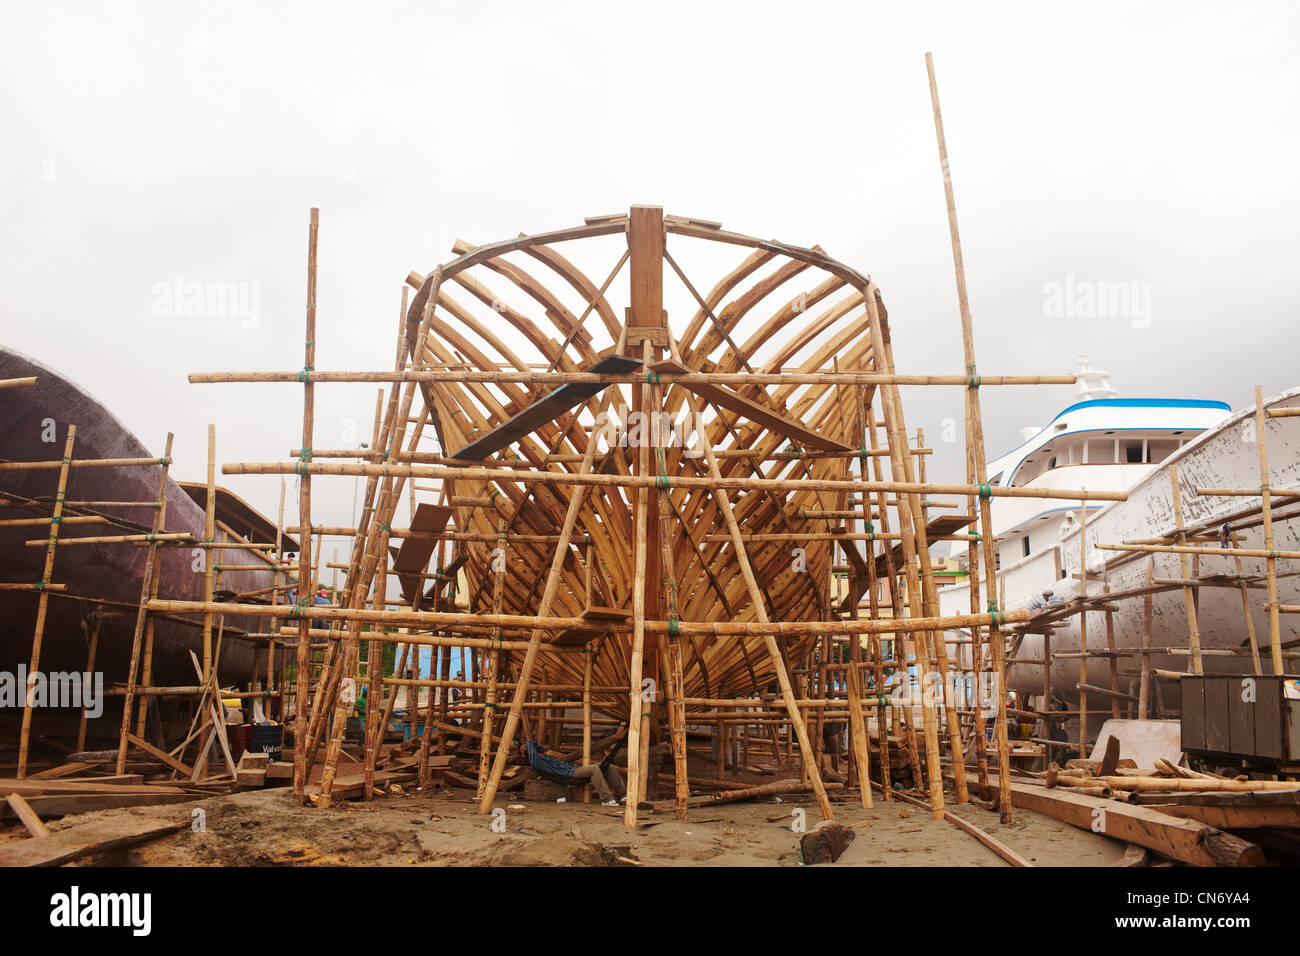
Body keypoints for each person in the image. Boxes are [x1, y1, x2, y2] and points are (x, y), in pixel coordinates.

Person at [519, 738, 625, 806]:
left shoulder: (546, 758)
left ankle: (622, 794)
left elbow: (536, 745)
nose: (541, 752)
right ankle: (607, 799)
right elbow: (532, 747)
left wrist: (535, 747)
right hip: (569, 775)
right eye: (537, 752)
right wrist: (526, 746)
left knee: (607, 766)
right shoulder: (539, 764)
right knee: (594, 769)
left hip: (574, 769)